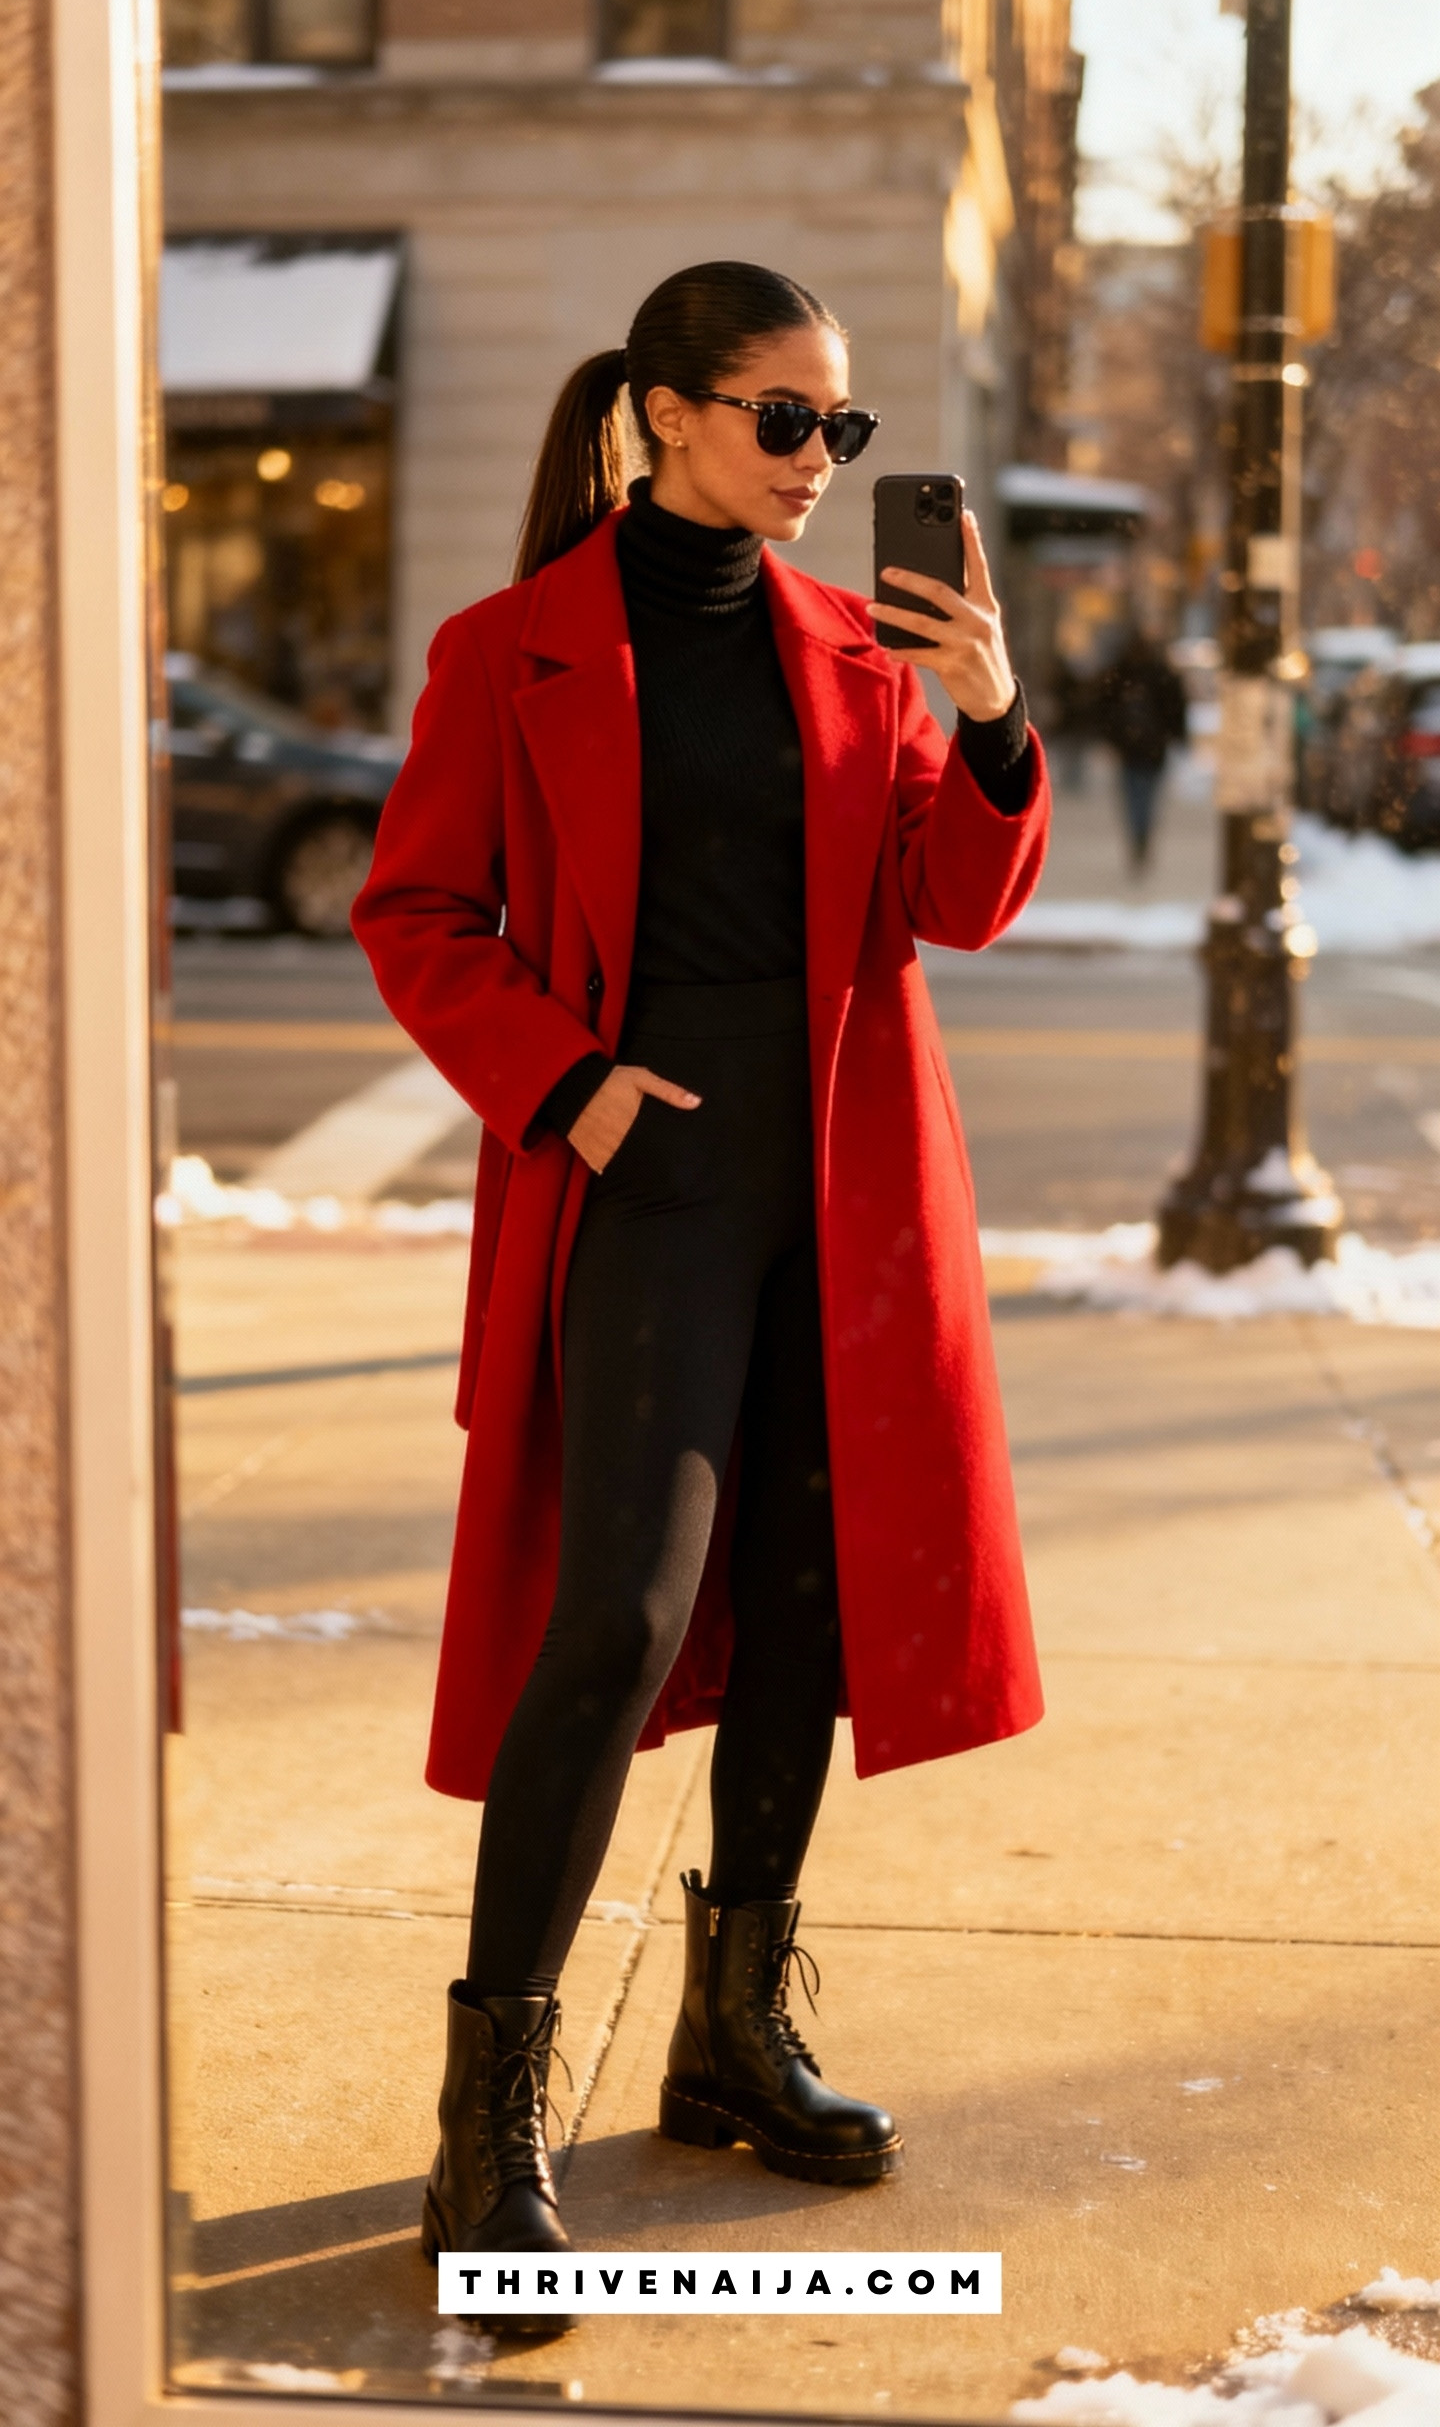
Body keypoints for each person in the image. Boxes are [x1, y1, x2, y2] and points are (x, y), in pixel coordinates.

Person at [352, 262, 1050, 2283]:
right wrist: (570, 1088)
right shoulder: (510, 648)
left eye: (843, 426)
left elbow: (950, 902)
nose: (821, 458)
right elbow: (417, 912)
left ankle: (734, 2033)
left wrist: (993, 718)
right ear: (666, 412)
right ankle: (489, 2107)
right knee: (622, 1611)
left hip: (840, 1184)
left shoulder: (858, 648)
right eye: (784, 418)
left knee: (810, 1604)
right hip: (641, 1183)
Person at [1094, 629, 1188, 871]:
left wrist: (1110, 738)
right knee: (1147, 796)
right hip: (1153, 748)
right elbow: (1176, 708)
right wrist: (1178, 736)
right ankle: (1142, 833)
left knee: (1133, 795)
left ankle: (1138, 833)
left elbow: (1103, 708)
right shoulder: (1161, 673)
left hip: (1130, 748)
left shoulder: (1120, 673)